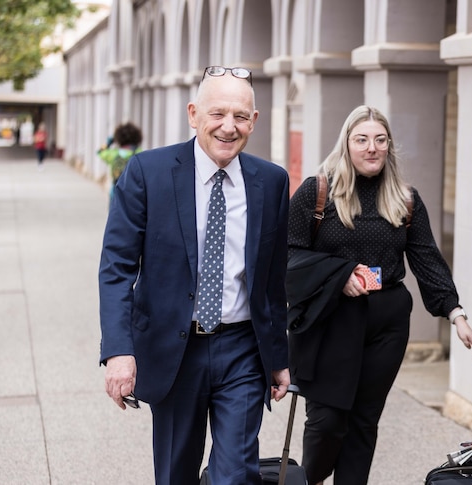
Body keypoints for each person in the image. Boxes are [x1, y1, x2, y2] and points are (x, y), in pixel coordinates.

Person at [99, 66, 291, 484]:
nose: (228, 126)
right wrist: (118, 351)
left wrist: (278, 357)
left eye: (241, 116)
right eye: (217, 113)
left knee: (236, 474)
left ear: (254, 121)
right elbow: (116, 269)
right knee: (175, 473)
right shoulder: (147, 173)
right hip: (173, 350)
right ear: (193, 114)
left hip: (242, 349)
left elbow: (273, 281)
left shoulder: (272, 182)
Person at [287, 105, 472, 485]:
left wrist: (456, 314)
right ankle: (309, 479)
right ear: (346, 144)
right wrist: (339, 275)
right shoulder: (318, 191)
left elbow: (426, 258)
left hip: (387, 320)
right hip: (331, 318)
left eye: (380, 140)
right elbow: (289, 252)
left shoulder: (405, 199)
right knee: (328, 420)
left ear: (389, 146)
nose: (371, 148)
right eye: (362, 139)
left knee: (363, 419)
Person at [97, 122, 144, 199]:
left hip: (116, 190)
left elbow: (100, 152)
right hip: (135, 190)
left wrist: (109, 141)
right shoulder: (139, 152)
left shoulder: (114, 154)